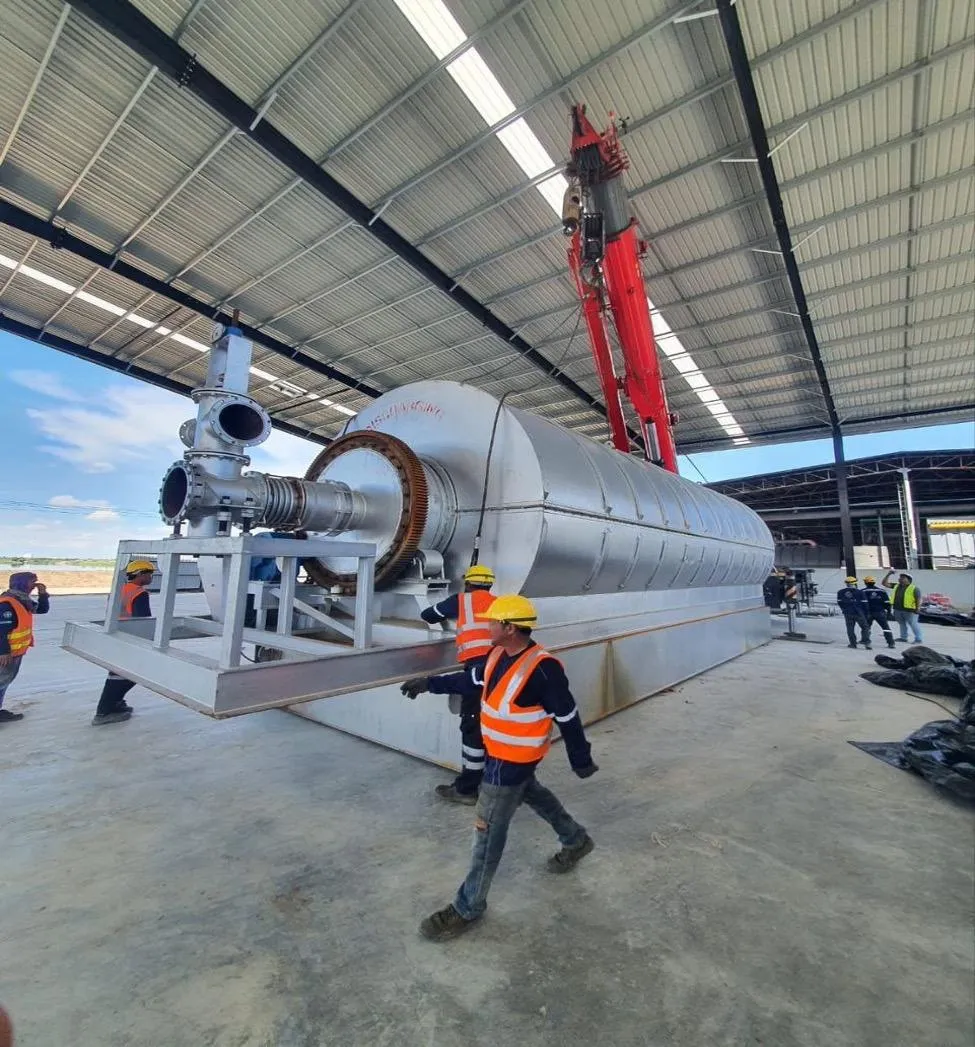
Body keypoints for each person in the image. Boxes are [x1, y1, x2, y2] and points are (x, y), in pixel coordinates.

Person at [401, 594, 598, 942]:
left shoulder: (542, 669)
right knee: (535, 795)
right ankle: (576, 839)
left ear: (509, 628)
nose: (486, 626)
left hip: (510, 764)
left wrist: (580, 757)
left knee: (487, 835)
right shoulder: (496, 655)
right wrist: (428, 683)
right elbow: (469, 681)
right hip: (503, 757)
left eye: (492, 622)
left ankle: (467, 907)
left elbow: (567, 715)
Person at [413, 564, 497, 804]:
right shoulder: (500, 603)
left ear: (468, 584)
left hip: (476, 670)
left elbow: (427, 615)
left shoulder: (461, 601)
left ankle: (467, 789)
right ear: (490, 585)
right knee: (493, 726)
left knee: (473, 728)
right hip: (502, 670)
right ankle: (494, 782)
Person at [92, 559, 154, 726]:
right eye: (149, 573)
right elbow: (142, 621)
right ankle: (104, 712)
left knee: (118, 673)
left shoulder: (118, 590)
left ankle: (116, 703)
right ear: (140, 574)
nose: (151, 577)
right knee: (125, 675)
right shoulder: (139, 593)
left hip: (115, 634)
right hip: (130, 637)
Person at [0, 571, 50, 723]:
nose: (34, 585)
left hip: (15, 652)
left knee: (4, 682)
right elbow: (1, 630)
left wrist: (43, 594)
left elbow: (42, 609)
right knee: (1, 682)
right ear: (22, 583)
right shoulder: (8, 603)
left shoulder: (23, 600)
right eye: (32, 582)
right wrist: (3, 652)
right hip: (6, 653)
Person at [881, 570, 923, 644]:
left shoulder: (914, 588)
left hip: (910, 610)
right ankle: (903, 637)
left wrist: (918, 608)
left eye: (903, 578)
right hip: (898, 609)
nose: (900, 579)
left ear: (908, 580)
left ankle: (918, 639)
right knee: (901, 623)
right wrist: (889, 574)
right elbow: (884, 583)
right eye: (900, 577)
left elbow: (918, 599)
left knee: (913, 624)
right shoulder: (896, 586)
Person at [861, 576, 895, 649]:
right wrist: (889, 612)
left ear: (865, 582)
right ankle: (891, 643)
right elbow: (887, 602)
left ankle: (866, 642)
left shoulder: (863, 591)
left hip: (868, 613)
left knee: (867, 628)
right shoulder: (882, 591)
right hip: (880, 612)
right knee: (886, 628)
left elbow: (862, 603)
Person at [836, 576, 869, 649]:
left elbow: (839, 603)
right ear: (855, 583)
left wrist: (844, 610)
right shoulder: (860, 592)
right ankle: (866, 642)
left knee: (850, 628)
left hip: (847, 613)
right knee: (865, 627)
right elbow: (865, 604)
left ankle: (853, 644)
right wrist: (866, 613)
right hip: (858, 612)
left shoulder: (840, 592)